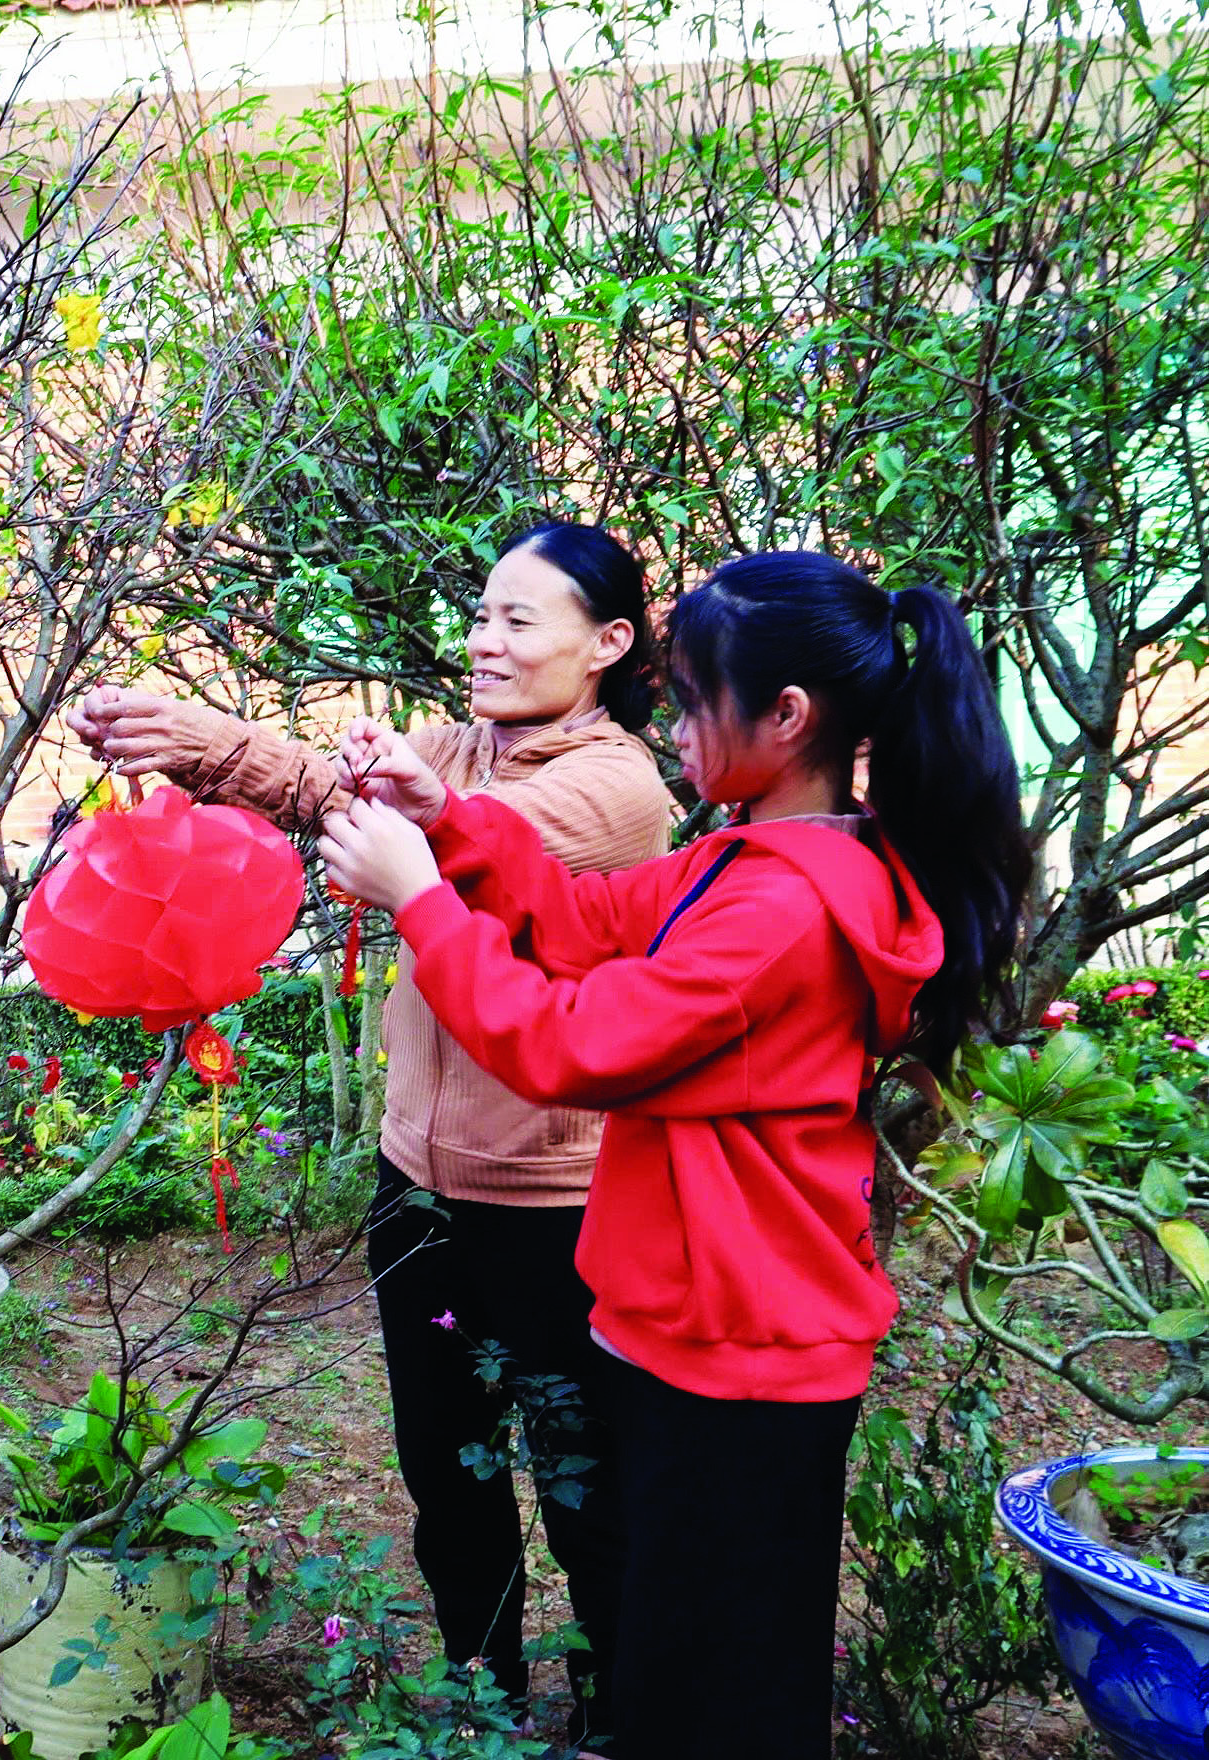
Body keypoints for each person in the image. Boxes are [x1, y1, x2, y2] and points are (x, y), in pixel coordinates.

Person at [316, 552, 1029, 1760]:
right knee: (685, 1652)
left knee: (721, 1685)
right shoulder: (758, 854)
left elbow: (570, 1043)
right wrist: (451, 825)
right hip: (704, 1325)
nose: (677, 723)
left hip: (737, 1349)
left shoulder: (783, 907)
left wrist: (422, 902)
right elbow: (595, 921)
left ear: (786, 716)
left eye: (695, 697)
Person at [71, 522, 673, 1746]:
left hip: (556, 1197)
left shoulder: (614, 787)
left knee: (584, 1475)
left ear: (608, 644)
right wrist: (186, 742)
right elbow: (342, 785)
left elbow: (457, 848)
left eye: (520, 620)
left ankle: (621, 1708)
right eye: (482, 613)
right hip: (421, 1187)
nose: (484, 641)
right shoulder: (453, 745)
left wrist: (258, 761)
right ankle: (481, 1693)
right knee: (445, 1466)